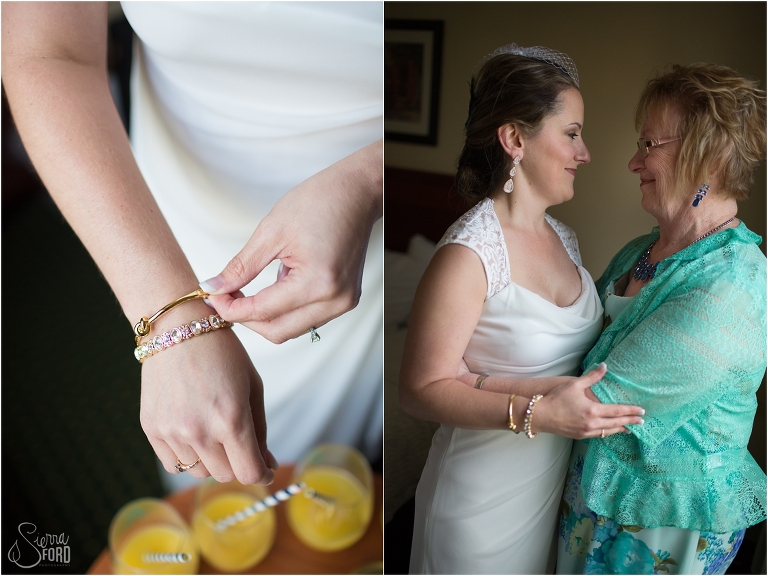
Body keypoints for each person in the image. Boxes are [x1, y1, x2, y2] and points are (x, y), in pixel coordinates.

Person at [2, 2, 383, 487]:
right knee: (208, 455)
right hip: (169, 228)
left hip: (358, 237)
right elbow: (46, 50)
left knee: (342, 469)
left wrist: (370, 181)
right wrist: (169, 322)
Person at [399, 44, 645, 575]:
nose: (585, 153)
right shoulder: (469, 254)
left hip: (548, 496)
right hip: (477, 507)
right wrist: (538, 413)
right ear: (514, 139)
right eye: (572, 133)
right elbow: (420, 389)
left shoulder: (565, 239)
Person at [557, 63, 767, 575]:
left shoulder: (734, 285)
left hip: (660, 525)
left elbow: (600, 399)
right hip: (592, 501)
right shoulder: (641, 251)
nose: (634, 162)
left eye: (650, 144)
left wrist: (465, 386)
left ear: (708, 156)